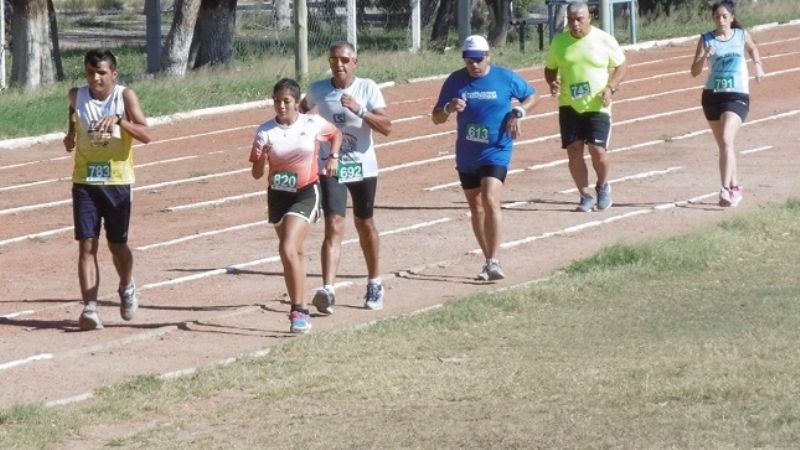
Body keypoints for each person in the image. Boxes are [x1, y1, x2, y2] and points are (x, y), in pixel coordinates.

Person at [432, 35, 538, 281]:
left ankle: (494, 260)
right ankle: (487, 258)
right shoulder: (455, 81)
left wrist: (518, 112)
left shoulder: (505, 77)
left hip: (497, 149)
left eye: (478, 60)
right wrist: (448, 108)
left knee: (490, 198)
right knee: (476, 207)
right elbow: (436, 117)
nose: (474, 65)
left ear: (488, 56)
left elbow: (533, 96)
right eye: (469, 61)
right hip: (468, 152)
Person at [300, 41, 392, 313]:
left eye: (343, 59)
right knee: (334, 223)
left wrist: (360, 110)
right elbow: (302, 111)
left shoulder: (367, 88)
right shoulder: (318, 90)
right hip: (332, 166)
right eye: (333, 60)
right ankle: (328, 289)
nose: (338, 64)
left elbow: (386, 126)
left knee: (365, 224)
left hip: (363, 166)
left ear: (355, 62)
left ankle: (374, 282)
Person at [63, 49, 151, 331]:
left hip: (117, 181)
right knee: (87, 244)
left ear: (114, 74)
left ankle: (126, 285)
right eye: (90, 73)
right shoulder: (76, 95)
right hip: (85, 180)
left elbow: (146, 134)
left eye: (101, 73)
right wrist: (70, 133)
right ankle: (90, 307)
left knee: (117, 244)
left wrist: (119, 121)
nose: (95, 78)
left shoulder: (125, 97)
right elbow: (73, 114)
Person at [250, 78, 343, 333]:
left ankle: (298, 310)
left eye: (286, 101)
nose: (281, 106)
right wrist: (262, 156)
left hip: (306, 193)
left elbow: (336, 134)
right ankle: (300, 303)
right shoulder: (265, 131)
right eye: (277, 101)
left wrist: (333, 158)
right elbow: (257, 174)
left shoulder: (311, 123)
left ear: (295, 102)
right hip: (278, 196)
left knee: (287, 247)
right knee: (294, 254)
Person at [544, 1, 628, 212]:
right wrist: (552, 81)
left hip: (597, 104)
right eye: (571, 20)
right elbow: (550, 68)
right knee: (574, 151)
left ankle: (602, 185)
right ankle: (585, 195)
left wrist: (611, 88)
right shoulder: (559, 42)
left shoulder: (604, 39)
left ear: (589, 17)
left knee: (597, 150)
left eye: (579, 19)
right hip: (569, 105)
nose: (575, 24)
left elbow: (621, 65)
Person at [690, 0, 765, 207]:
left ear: (732, 18)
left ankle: (724, 189)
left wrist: (758, 66)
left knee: (726, 139)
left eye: (724, 16)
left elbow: (753, 48)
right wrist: (705, 55)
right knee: (724, 145)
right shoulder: (706, 39)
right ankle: (735, 187)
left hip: (737, 95)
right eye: (717, 17)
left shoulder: (741, 35)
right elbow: (694, 72)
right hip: (712, 96)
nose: (720, 20)